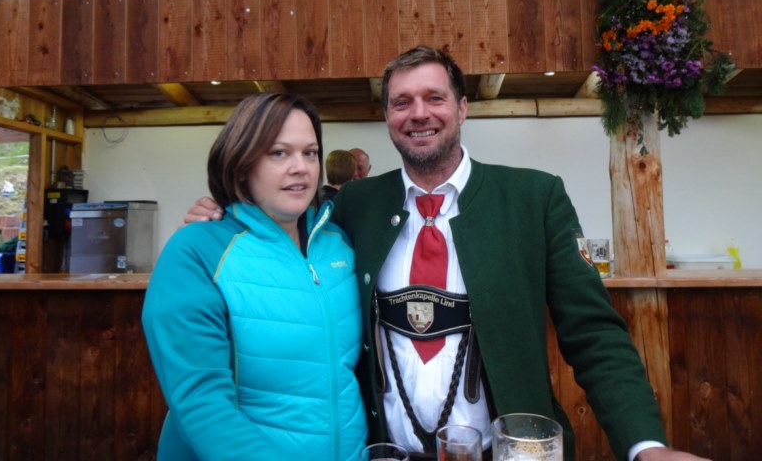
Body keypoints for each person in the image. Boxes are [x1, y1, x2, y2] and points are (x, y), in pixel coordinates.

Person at [184, 47, 710, 461]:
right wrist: (224, 213)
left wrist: (646, 446)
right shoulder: (354, 205)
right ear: (387, 116)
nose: (418, 114)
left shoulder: (533, 198)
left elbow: (594, 334)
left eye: (434, 97)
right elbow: (280, 222)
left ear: (461, 108)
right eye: (401, 102)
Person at [144, 92, 367, 460]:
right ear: (241, 164)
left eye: (310, 152)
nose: (301, 167)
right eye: (279, 153)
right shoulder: (196, 251)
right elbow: (202, 402)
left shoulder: (338, 244)